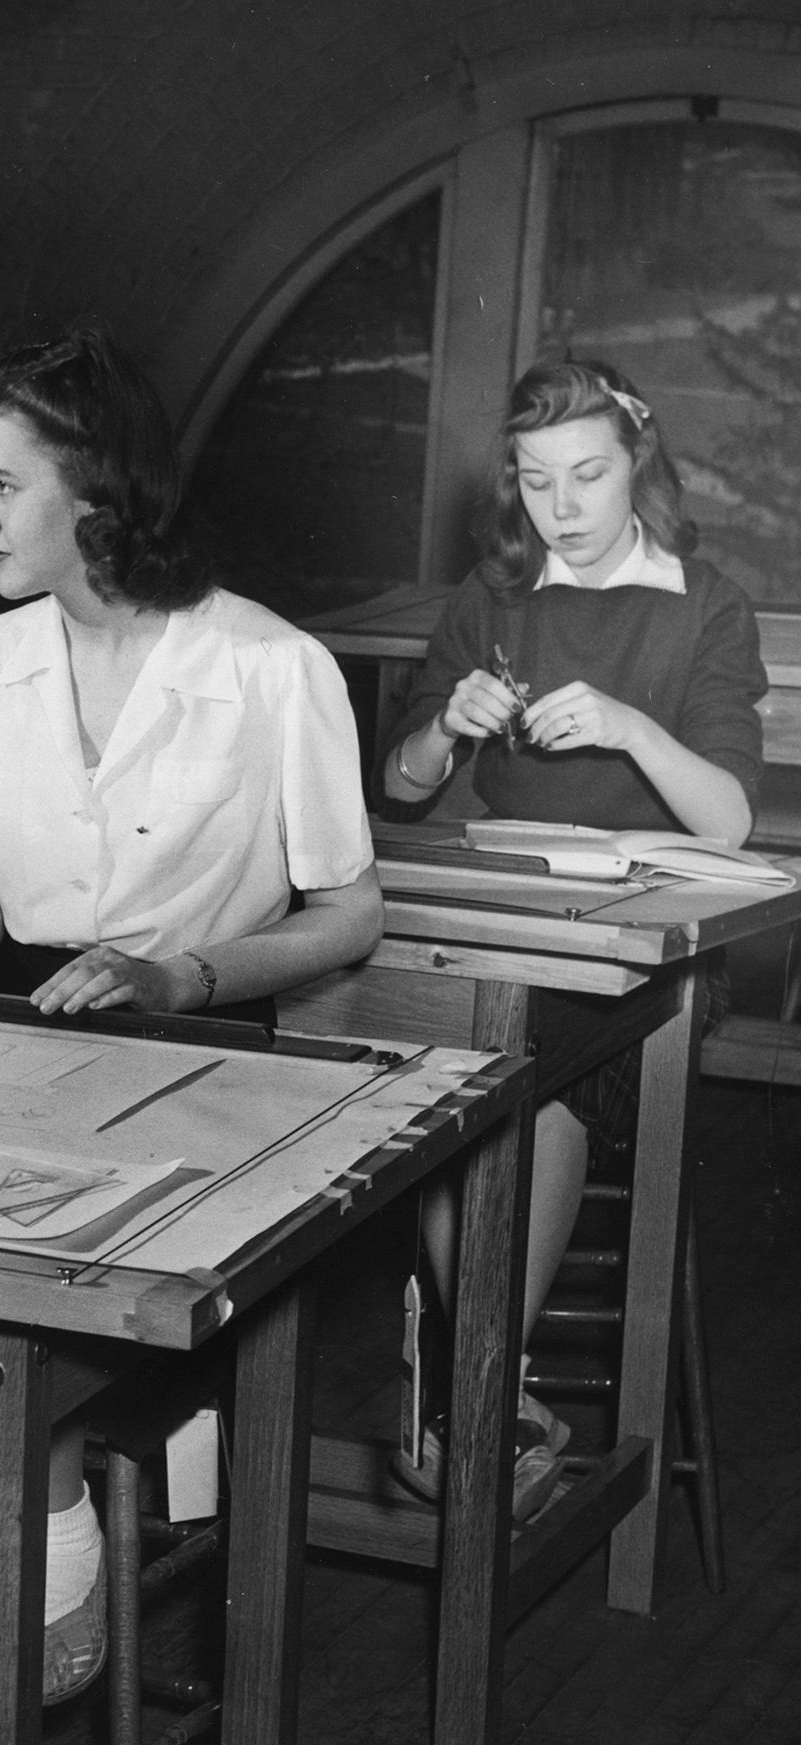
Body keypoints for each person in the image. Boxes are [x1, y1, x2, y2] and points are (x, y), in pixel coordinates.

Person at [0, 321, 383, 1745]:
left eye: (1, 487)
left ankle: (43, 1515)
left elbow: (347, 914)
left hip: (209, 1061)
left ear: (98, 493)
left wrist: (176, 971)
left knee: (14, 1322)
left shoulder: (271, 667)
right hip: (14, 1044)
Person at [380, 357, 766, 1519]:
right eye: (538, 479)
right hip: (514, 921)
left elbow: (733, 821)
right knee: (434, 1073)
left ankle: (470, 1387)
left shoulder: (705, 603)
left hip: (651, 955)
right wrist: (445, 725)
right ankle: (497, 1399)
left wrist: (634, 725)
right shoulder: (495, 596)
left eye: (589, 474)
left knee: (518, 1080)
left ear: (636, 464)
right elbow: (399, 789)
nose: (564, 506)